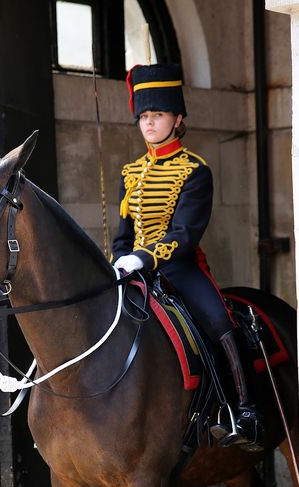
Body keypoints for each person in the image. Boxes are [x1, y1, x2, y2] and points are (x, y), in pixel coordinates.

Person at [112, 63, 263, 451]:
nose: (148, 123)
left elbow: (185, 234)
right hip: (133, 273)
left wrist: (144, 259)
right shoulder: (131, 173)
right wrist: (119, 259)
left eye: (157, 115)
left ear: (177, 119)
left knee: (220, 322)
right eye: (143, 116)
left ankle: (246, 413)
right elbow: (123, 233)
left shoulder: (195, 171)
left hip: (179, 269)